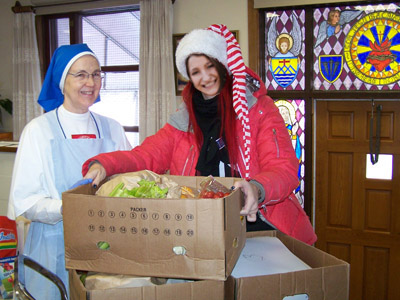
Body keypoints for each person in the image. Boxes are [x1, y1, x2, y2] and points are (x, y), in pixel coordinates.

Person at [82, 24, 317, 245]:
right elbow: (145, 155)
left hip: (264, 227)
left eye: (209, 66)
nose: (204, 77)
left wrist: (256, 188)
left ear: (222, 64)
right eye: (195, 72)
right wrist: (104, 164)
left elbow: (284, 169)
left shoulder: (259, 109)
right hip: (204, 232)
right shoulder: (183, 120)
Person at [7, 44, 131, 300]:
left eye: (96, 74)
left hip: (105, 246)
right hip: (53, 247)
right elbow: (25, 201)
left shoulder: (112, 128)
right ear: (63, 81)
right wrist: (67, 207)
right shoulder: (39, 131)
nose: (91, 82)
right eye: (81, 74)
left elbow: (129, 182)